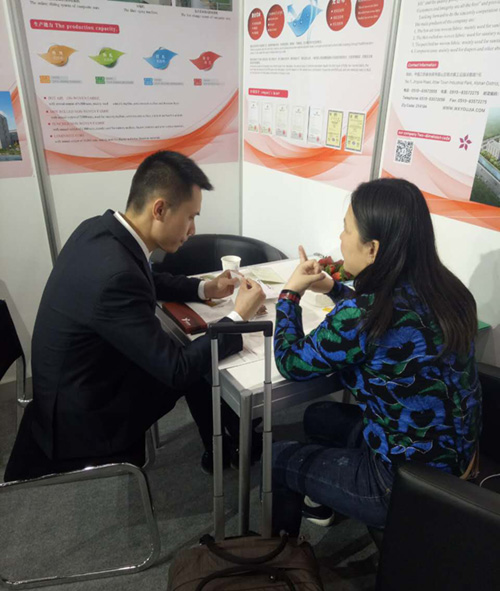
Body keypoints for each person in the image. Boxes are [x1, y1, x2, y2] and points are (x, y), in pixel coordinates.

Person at [7, 150, 265, 481]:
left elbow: (147, 278)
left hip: (74, 387)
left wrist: (205, 288)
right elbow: (176, 370)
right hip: (85, 420)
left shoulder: (100, 230)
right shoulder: (116, 277)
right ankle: (236, 442)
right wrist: (239, 317)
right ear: (159, 209)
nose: (192, 229)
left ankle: (226, 444)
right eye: (190, 217)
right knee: (194, 365)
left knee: (198, 351)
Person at [271, 178, 481, 535]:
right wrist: (335, 289)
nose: (340, 238)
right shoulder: (452, 293)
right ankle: (322, 503)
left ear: (372, 249)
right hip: (457, 464)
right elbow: (384, 318)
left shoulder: (361, 314)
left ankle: (283, 557)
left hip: (402, 482)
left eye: (346, 229)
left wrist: (290, 294)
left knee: (276, 458)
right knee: (319, 416)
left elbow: (289, 362)